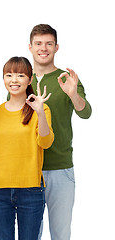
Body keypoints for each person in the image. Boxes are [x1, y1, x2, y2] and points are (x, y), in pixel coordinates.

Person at [28, 24, 92, 240]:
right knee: (30, 234)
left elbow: (86, 113)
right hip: (28, 170)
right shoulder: (21, 80)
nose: (43, 48)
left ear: (56, 47)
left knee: (61, 234)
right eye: (38, 43)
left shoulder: (67, 79)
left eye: (48, 44)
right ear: (30, 47)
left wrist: (73, 95)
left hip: (60, 169)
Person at [0, 56, 54, 240]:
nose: (14, 80)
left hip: (30, 189)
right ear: (4, 79)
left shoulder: (41, 110)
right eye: (9, 75)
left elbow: (45, 143)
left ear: (30, 80)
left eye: (20, 75)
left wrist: (39, 111)